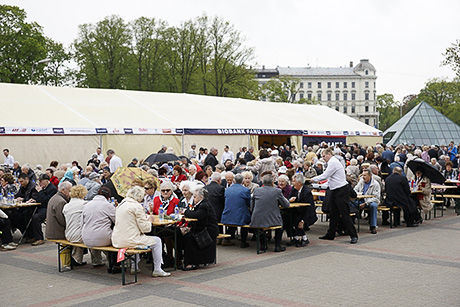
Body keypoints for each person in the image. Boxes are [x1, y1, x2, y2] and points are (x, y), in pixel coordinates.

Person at [112, 186, 171, 277]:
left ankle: (134, 266)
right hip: (130, 240)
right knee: (157, 241)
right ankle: (157, 269)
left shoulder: (121, 205)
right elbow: (146, 229)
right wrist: (150, 221)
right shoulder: (136, 206)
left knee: (136, 238)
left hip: (117, 240)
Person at [311, 148, 358, 244]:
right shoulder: (332, 162)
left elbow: (325, 175)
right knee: (333, 213)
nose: (323, 158)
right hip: (334, 190)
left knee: (344, 213)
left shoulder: (333, 162)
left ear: (329, 154)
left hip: (341, 190)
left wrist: (312, 179)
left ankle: (353, 235)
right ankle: (330, 234)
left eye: (324, 156)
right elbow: (330, 178)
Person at [81, 187, 119, 273]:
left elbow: (81, 223)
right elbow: (117, 220)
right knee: (116, 239)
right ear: (108, 197)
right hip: (102, 238)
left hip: (86, 238)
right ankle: (114, 264)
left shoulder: (87, 205)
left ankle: (96, 260)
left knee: (94, 236)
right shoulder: (107, 205)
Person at [181, 187, 219, 270]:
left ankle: (192, 263)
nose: (193, 199)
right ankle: (184, 260)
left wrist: (185, 212)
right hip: (203, 228)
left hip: (208, 231)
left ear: (201, 197)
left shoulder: (204, 205)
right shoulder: (202, 204)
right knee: (184, 235)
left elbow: (196, 215)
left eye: (194, 197)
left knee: (188, 238)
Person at [250, 174, 290, 252]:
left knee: (261, 226)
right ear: (272, 182)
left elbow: (252, 205)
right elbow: (286, 205)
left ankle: (262, 245)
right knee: (280, 225)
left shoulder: (256, 190)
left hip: (257, 218)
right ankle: (277, 246)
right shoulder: (277, 191)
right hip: (273, 219)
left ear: (262, 182)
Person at [221, 174, 251, 248]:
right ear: (243, 181)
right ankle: (243, 242)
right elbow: (249, 203)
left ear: (234, 180)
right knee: (245, 218)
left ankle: (227, 238)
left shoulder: (227, 190)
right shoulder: (246, 190)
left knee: (234, 217)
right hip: (240, 216)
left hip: (227, 215)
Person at [62, 185, 89, 265]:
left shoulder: (66, 206)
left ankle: (77, 259)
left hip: (68, 234)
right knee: (93, 236)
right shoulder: (84, 204)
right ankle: (97, 260)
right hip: (79, 235)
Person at [354, 169, 380, 234]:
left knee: (373, 206)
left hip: (371, 201)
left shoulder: (375, 184)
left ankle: (373, 226)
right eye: (362, 175)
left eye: (365, 175)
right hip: (361, 199)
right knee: (351, 204)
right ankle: (349, 224)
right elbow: (355, 190)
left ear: (370, 176)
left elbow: (376, 197)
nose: (363, 177)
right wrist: (358, 194)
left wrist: (366, 203)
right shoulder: (361, 181)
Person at [204, 172, 225, 242]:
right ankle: (219, 238)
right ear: (219, 180)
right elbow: (223, 201)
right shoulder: (221, 188)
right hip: (218, 212)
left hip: (206, 211)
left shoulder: (205, 188)